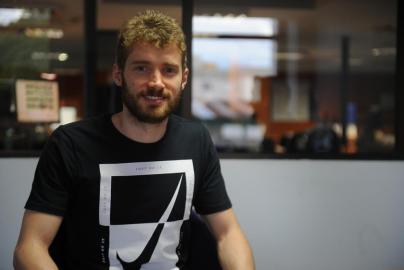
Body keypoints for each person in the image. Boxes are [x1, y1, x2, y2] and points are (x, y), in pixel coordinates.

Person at [13, 10, 255, 270]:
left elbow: (228, 234)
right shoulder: (71, 144)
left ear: (183, 78)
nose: (156, 82)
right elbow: (30, 247)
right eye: (142, 68)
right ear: (118, 74)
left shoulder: (195, 140)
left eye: (169, 70)